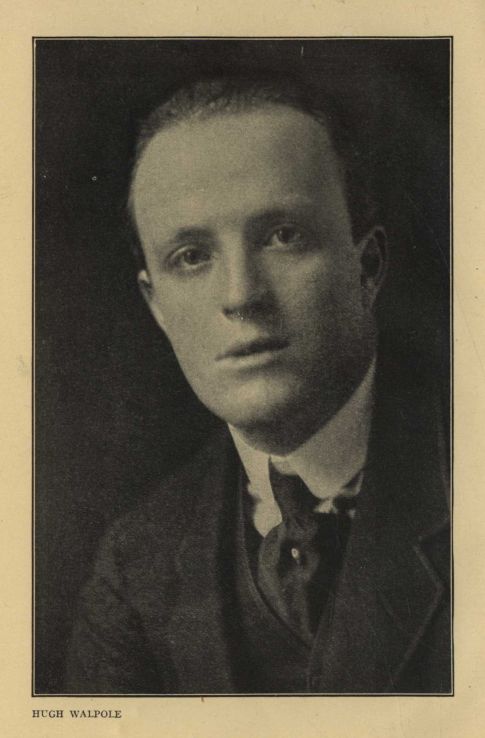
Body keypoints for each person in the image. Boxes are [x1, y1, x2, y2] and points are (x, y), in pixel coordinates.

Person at [65, 74, 451, 694]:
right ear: (157, 307)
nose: (241, 295)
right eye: (192, 256)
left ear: (367, 267)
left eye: (282, 237)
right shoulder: (134, 569)